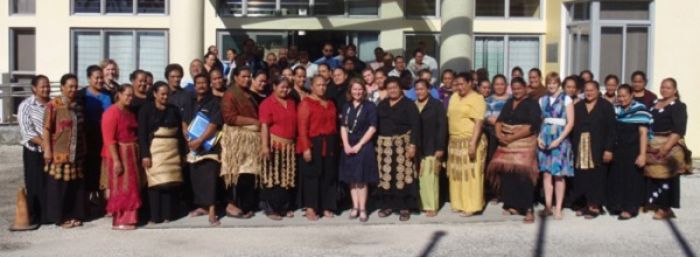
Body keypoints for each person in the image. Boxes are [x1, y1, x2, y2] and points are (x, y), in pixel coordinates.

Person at [486, 77, 542, 224]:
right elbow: (499, 121)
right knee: (508, 173)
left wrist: (512, 138)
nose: (517, 91)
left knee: (523, 175)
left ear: (525, 88)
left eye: (519, 88)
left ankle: (528, 209)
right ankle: (513, 204)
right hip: (506, 141)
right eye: (514, 88)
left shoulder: (532, 103)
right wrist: (499, 135)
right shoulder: (509, 102)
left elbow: (533, 126)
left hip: (524, 142)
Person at [43, 73, 86, 228]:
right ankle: (60, 218)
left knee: (74, 187)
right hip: (58, 153)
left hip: (77, 154)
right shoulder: (53, 105)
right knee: (59, 187)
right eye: (70, 87)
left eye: (75, 87)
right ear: (62, 87)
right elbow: (47, 129)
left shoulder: (78, 105)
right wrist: (47, 150)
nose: (73, 90)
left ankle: (74, 214)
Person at [375, 77, 421, 221]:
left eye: (395, 87)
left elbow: (416, 126)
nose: (392, 90)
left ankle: (404, 207)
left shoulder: (409, 104)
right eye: (389, 88)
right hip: (385, 147)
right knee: (387, 177)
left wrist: (413, 145)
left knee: (403, 176)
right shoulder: (382, 105)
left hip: (403, 145)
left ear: (400, 88)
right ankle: (388, 205)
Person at [138, 82, 184, 224]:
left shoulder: (174, 110)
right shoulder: (146, 110)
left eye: (167, 94)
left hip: (172, 150)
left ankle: (168, 215)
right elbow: (142, 133)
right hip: (155, 149)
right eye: (162, 94)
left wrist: (182, 153)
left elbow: (180, 134)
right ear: (155, 94)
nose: (165, 97)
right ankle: (154, 216)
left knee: (170, 183)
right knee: (155, 184)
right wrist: (145, 154)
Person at [645, 78, 691, 220]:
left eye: (668, 88)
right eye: (662, 87)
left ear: (675, 90)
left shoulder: (678, 106)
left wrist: (665, 148)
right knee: (652, 176)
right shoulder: (654, 103)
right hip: (652, 144)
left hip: (669, 145)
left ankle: (665, 208)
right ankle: (656, 203)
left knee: (666, 177)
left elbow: (678, 130)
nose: (664, 90)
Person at [570, 81, 616, 219]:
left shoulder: (606, 106)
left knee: (597, 176)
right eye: (586, 90)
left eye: (592, 90)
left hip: (598, 146)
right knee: (583, 176)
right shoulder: (578, 106)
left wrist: (609, 149)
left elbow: (611, 129)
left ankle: (595, 206)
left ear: (597, 91)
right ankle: (585, 204)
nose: (589, 93)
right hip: (581, 146)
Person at [182, 74, 223, 226]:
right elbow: (184, 122)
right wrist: (189, 139)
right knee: (197, 177)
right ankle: (202, 207)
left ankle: (212, 211)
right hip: (193, 146)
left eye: (204, 83)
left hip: (209, 145)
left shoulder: (215, 102)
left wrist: (200, 140)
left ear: (209, 84)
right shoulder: (190, 101)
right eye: (198, 83)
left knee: (210, 179)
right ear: (194, 85)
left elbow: (213, 124)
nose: (201, 86)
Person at [607, 84, 652, 220]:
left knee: (632, 180)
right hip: (618, 149)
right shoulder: (615, 109)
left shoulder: (640, 110)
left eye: (624, 96)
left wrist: (642, 154)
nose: (621, 99)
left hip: (633, 150)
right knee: (617, 178)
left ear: (631, 95)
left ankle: (630, 208)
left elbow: (643, 134)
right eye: (619, 96)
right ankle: (617, 205)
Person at [221, 66, 261, 219]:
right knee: (235, 174)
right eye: (243, 76)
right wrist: (253, 121)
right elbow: (229, 118)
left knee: (248, 174)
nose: (247, 79)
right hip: (236, 139)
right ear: (235, 77)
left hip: (250, 140)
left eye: (248, 76)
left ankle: (246, 205)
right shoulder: (230, 94)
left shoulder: (249, 94)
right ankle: (232, 205)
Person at [297, 76, 339, 221]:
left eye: (324, 85)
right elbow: (302, 128)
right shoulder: (306, 103)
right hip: (314, 143)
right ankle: (311, 207)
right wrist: (306, 147)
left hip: (330, 143)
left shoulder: (331, 103)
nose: (322, 87)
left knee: (328, 175)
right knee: (312, 176)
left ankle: (326, 206)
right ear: (312, 87)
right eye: (318, 85)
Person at [101, 84, 142, 230]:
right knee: (120, 187)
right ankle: (120, 220)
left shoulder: (129, 112)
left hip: (131, 154)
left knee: (132, 187)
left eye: (132, 96)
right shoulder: (111, 113)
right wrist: (117, 160)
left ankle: (131, 218)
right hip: (118, 154)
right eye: (127, 95)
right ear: (119, 94)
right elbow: (109, 140)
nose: (130, 98)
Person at [446, 74, 487, 217]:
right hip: (455, 141)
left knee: (471, 174)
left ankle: (472, 206)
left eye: (463, 84)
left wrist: (473, 144)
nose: (459, 87)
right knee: (457, 173)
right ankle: (458, 203)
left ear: (470, 83)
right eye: (457, 84)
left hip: (470, 140)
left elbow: (479, 123)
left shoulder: (477, 99)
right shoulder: (454, 97)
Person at [339, 79, 379, 223]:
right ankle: (354, 206)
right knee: (352, 178)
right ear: (350, 91)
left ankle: (363, 208)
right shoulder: (346, 106)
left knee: (361, 179)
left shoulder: (370, 106)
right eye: (354, 89)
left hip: (363, 145)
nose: (357, 92)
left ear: (364, 91)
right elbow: (343, 126)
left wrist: (359, 145)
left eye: (360, 89)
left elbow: (372, 127)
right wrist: (346, 144)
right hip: (348, 145)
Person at [537, 72, 575, 220]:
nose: (551, 85)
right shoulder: (542, 100)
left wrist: (559, 140)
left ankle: (558, 207)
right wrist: (539, 137)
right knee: (546, 174)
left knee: (558, 175)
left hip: (560, 138)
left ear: (558, 83)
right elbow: (541, 120)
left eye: (554, 83)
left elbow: (570, 123)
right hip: (545, 136)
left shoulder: (566, 99)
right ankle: (548, 205)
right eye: (549, 83)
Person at [259, 78, 298, 220]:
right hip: (274, 145)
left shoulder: (292, 102)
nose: (285, 90)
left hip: (290, 147)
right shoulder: (267, 103)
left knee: (286, 179)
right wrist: (265, 146)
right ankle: (271, 209)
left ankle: (284, 207)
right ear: (274, 86)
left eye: (287, 87)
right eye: (282, 87)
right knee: (273, 178)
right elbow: (264, 126)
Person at [18, 75, 51, 227]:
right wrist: (45, 145)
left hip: (52, 151)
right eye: (42, 86)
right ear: (34, 88)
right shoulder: (26, 105)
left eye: (47, 86)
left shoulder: (53, 104)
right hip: (34, 150)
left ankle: (50, 214)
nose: (46, 89)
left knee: (51, 182)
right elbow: (27, 131)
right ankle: (35, 216)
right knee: (35, 183)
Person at [78, 65, 111, 214]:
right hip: (87, 139)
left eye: (101, 77)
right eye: (96, 78)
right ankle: (85, 205)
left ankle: (104, 205)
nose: (99, 80)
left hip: (104, 139)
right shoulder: (82, 95)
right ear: (89, 79)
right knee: (87, 171)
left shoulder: (108, 94)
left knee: (103, 172)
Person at [413, 79, 447, 217]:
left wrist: (440, 147)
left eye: (422, 89)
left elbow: (442, 127)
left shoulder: (436, 105)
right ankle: (421, 204)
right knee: (419, 176)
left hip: (432, 145)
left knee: (430, 176)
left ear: (428, 89)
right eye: (417, 89)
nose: (419, 92)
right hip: (418, 145)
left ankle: (431, 206)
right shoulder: (413, 105)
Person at [485, 75, 510, 164]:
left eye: (502, 84)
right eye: (497, 84)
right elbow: (488, 118)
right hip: (493, 135)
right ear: (493, 86)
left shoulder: (512, 99)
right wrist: (502, 125)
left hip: (510, 134)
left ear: (506, 85)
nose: (499, 87)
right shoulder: (488, 100)